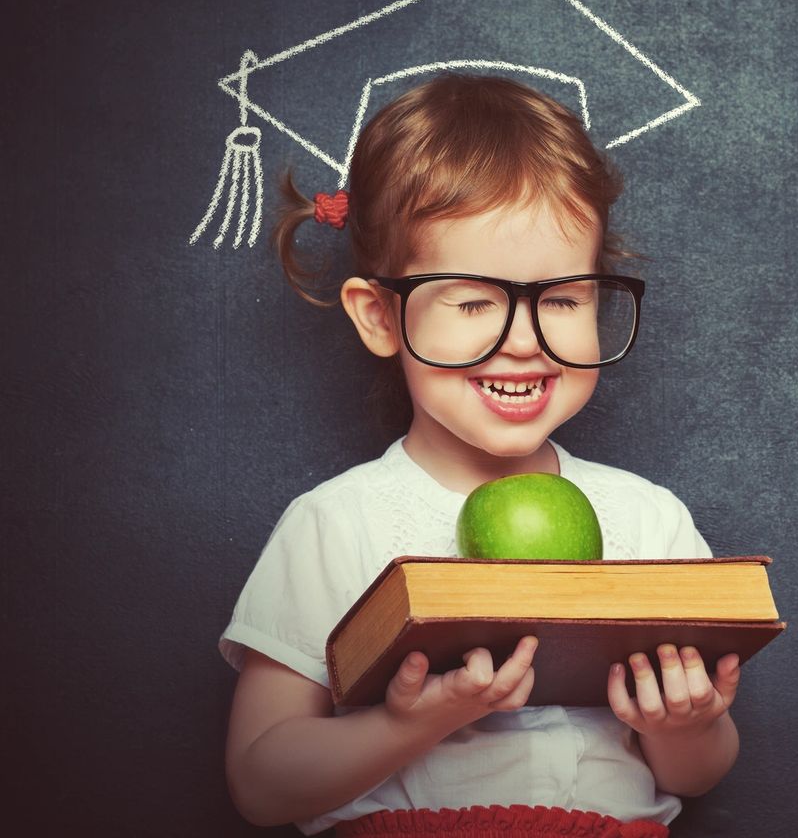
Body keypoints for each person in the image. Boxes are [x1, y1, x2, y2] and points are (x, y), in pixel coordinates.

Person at [218, 75, 740, 837]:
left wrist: (683, 723)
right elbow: (261, 785)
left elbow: (693, 777)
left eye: (562, 299)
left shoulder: (647, 519)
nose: (524, 341)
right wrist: (410, 725)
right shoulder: (335, 524)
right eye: (471, 302)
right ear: (379, 316)